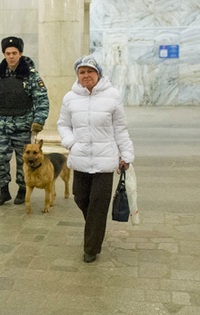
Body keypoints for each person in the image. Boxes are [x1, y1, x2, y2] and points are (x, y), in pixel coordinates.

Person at [57, 55, 134, 263]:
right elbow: (63, 124)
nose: (86, 76)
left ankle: (91, 247)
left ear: (98, 73)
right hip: (80, 158)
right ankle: (95, 227)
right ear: (78, 75)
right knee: (81, 198)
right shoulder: (69, 98)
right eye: (82, 72)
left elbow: (120, 128)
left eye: (90, 71)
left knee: (98, 204)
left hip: (105, 161)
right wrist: (71, 143)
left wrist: (126, 155)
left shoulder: (112, 95)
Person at [0, 36, 50, 206]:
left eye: (14, 53)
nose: (11, 56)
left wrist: (39, 120)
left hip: (22, 127)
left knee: (24, 162)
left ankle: (22, 190)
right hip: (2, 127)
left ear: (21, 53)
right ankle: (3, 191)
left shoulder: (31, 76)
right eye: (8, 53)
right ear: (4, 54)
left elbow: (42, 100)